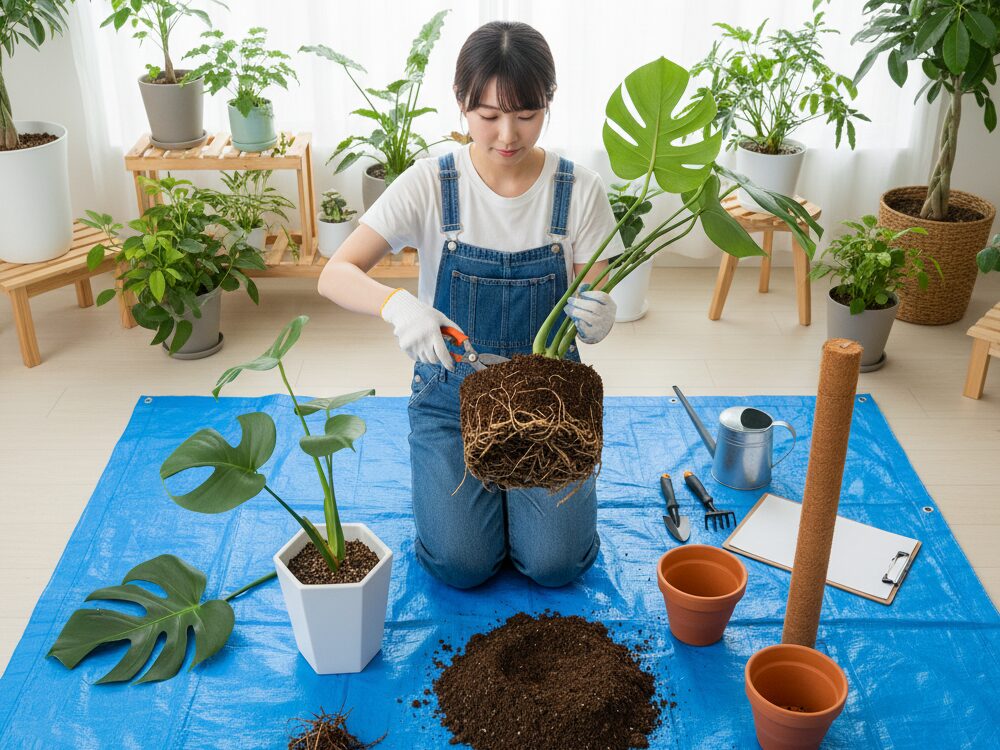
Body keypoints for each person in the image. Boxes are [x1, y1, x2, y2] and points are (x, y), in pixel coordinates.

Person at [317, 20, 624, 589]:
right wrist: (397, 306)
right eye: (488, 116)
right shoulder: (431, 183)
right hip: (451, 400)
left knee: (556, 565)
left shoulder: (577, 189)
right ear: (462, 105)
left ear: (548, 103)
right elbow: (335, 273)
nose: (508, 134)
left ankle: (525, 515)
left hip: (550, 405)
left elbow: (598, 288)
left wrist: (602, 314)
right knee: (461, 565)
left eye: (527, 114)